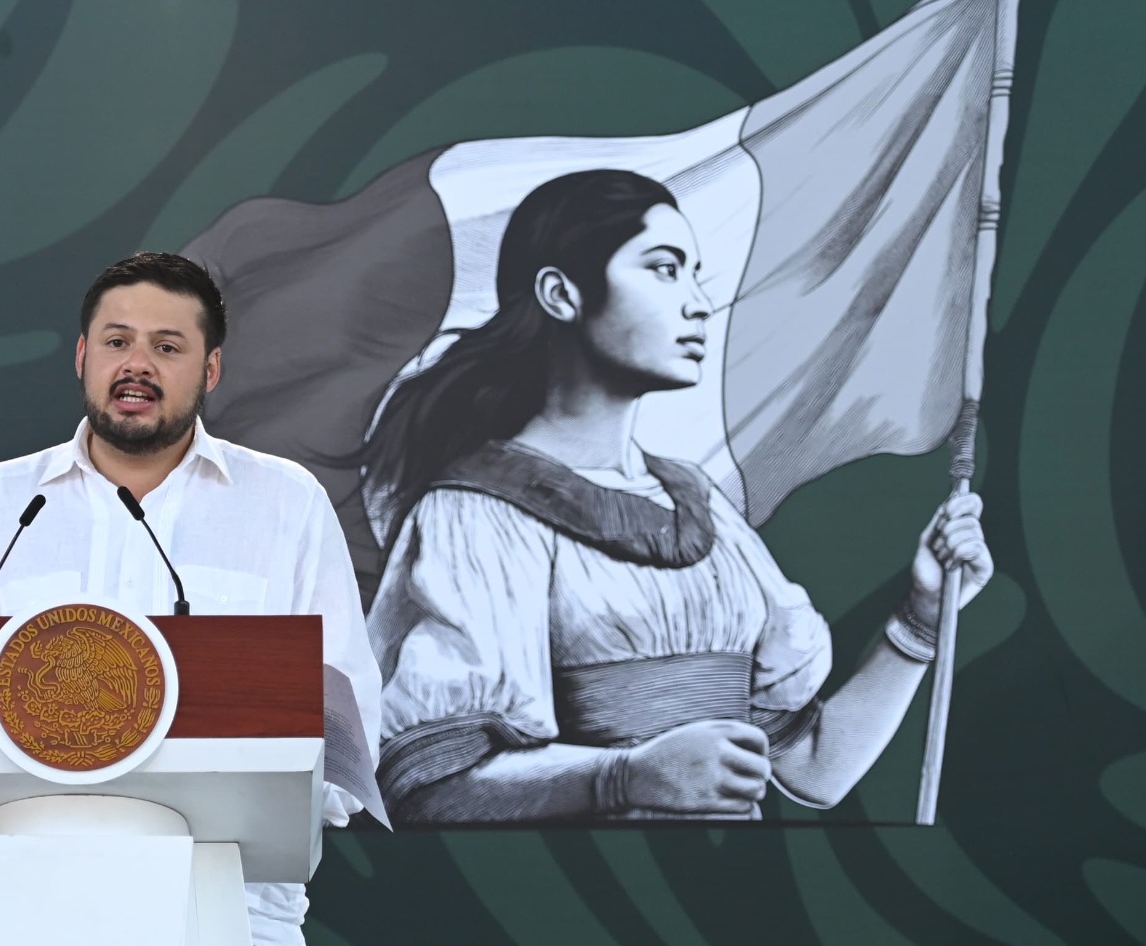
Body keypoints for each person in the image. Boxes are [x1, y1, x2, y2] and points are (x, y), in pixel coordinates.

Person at [361, 169, 993, 824]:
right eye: (664, 270)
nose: (697, 303)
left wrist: (922, 616)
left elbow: (812, 770)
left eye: (696, 275)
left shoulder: (703, 507)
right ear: (560, 293)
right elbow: (428, 785)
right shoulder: (477, 514)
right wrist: (624, 776)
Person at [0, 251, 382, 946]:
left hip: (223, 908)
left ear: (211, 370)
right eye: (117, 341)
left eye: (168, 347)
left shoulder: (284, 504)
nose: (137, 365)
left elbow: (346, 719)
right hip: (19, 904)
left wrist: (273, 818)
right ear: (81, 357)